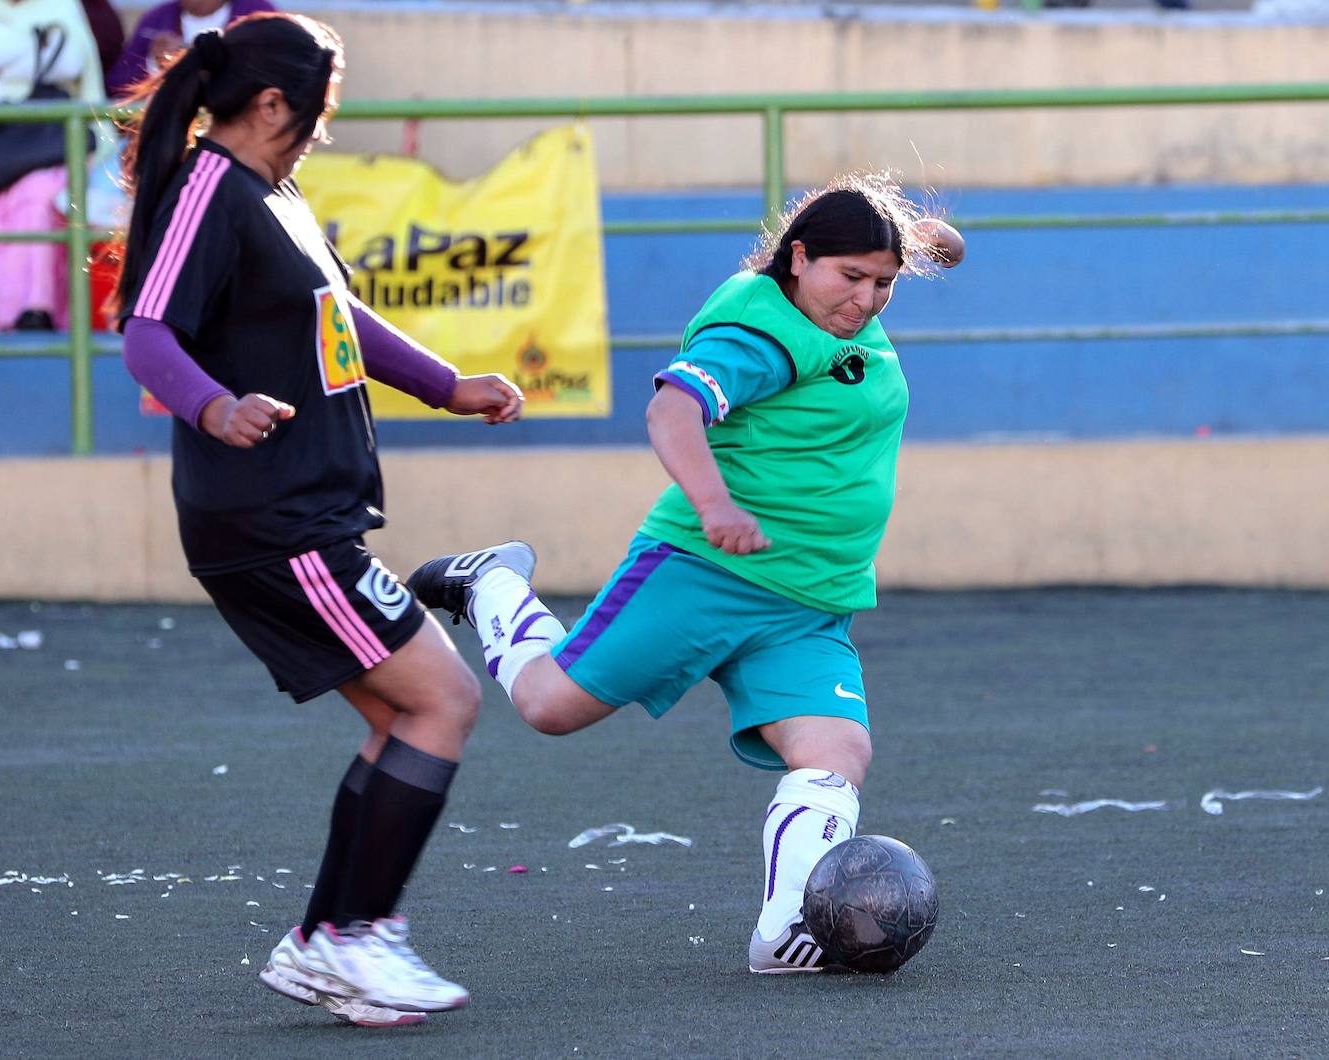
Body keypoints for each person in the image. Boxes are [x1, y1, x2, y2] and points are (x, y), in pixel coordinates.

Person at [410, 174, 965, 974]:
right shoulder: (759, 332)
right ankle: (490, 580)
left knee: (835, 753)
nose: (867, 300)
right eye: (851, 278)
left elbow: (934, 248)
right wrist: (714, 507)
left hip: (807, 602)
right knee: (548, 706)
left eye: (883, 283)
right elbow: (672, 410)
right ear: (798, 258)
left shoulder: (843, 298)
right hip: (706, 573)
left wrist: (921, 242)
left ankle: (785, 932)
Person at [113, 13, 524, 1027]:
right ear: (269, 104)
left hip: (304, 516)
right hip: (271, 521)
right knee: (444, 700)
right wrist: (215, 404)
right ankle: (348, 938)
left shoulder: (272, 193)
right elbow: (146, 328)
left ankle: (333, 939)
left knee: (401, 717)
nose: (321, 132)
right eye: (319, 113)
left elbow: (338, 318)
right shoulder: (209, 189)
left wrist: (445, 384)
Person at [0, 0, 105, 332]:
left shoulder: (60, 5)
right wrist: (30, 43)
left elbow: (68, 63)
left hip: (38, 139)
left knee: (35, 200)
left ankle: (32, 310)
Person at [106, 0, 273, 97]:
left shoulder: (258, 15)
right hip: (164, 133)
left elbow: (274, 76)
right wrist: (153, 64)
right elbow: (117, 87)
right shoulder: (156, 19)